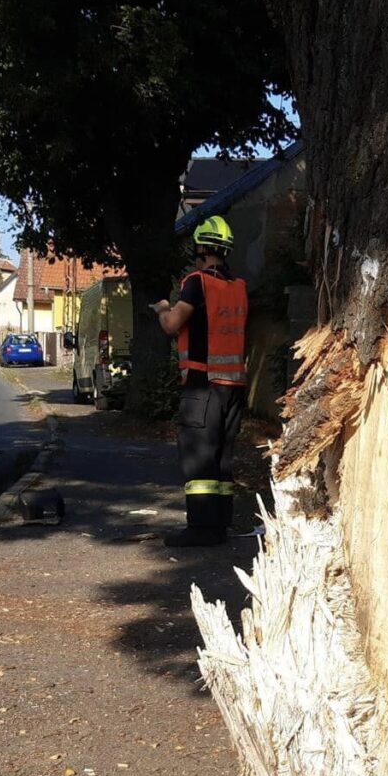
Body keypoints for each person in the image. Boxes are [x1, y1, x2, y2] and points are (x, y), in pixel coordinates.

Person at [152, 215, 248, 548]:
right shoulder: (238, 287)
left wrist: (163, 308)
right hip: (233, 388)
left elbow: (172, 324)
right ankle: (219, 525)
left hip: (201, 385)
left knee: (198, 457)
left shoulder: (197, 282)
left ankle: (200, 530)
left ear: (202, 247)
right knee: (222, 458)